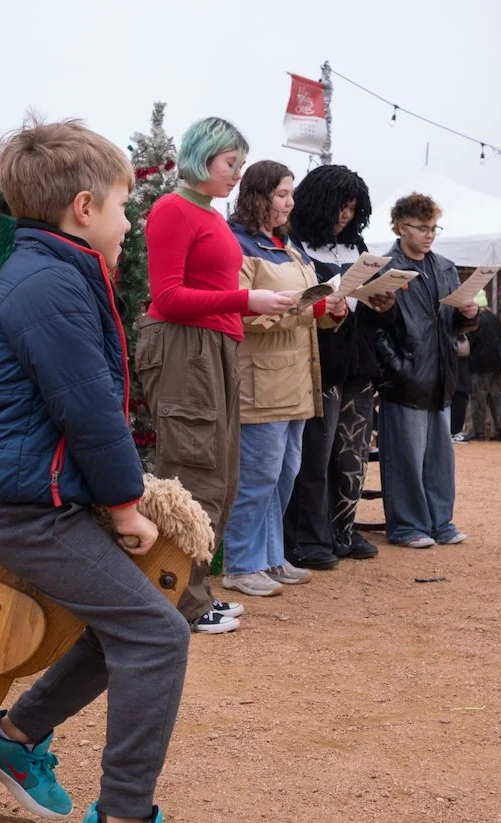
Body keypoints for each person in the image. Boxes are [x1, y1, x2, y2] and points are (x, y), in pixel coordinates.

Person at [0, 118, 187, 823]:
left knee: (131, 619)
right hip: (26, 510)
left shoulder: (52, 271)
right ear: (83, 209)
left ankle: (18, 735)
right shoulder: (52, 282)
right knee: (158, 634)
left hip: (34, 499)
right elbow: (86, 408)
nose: (129, 224)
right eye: (123, 207)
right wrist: (125, 505)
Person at [136, 118, 298, 633]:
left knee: (220, 475)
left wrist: (255, 306)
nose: (237, 174)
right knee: (193, 470)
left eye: (240, 165)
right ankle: (177, 602)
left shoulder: (206, 213)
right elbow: (167, 298)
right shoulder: (171, 210)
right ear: (203, 157)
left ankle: (195, 594)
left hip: (216, 347)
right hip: (186, 349)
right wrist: (248, 299)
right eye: (232, 163)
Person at [221, 161, 345, 597]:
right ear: (258, 195)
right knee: (258, 475)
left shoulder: (288, 244)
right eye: (281, 194)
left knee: (286, 473)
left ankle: (271, 558)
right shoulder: (237, 243)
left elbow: (305, 305)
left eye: (290, 193)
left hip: (295, 376)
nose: (290, 202)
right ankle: (240, 563)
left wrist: (331, 310)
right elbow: (237, 310)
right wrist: (307, 310)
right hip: (261, 379)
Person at [359, 193, 475, 549]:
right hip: (405, 378)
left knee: (441, 459)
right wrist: (396, 368)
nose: (430, 235)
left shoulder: (445, 267)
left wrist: (469, 316)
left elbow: (451, 325)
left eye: (433, 227)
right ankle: (407, 526)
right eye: (422, 227)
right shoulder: (384, 268)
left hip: (441, 376)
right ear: (400, 226)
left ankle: (441, 522)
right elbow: (373, 325)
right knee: (405, 459)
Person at [284, 165, 381, 567]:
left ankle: (343, 530)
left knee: (352, 454)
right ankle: (309, 539)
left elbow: (372, 311)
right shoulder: (295, 244)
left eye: (353, 208)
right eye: (340, 206)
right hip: (317, 361)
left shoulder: (356, 244)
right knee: (314, 454)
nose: (345, 215)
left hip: (358, 362)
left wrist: (383, 302)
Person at [466, 290, 501, 440]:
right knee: (497, 396)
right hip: (497, 364)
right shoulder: (495, 319)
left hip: (480, 364)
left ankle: (478, 431)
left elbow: (470, 343)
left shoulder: (476, 320)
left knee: (478, 398)